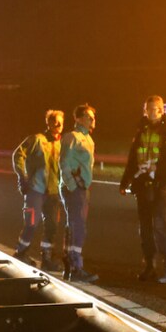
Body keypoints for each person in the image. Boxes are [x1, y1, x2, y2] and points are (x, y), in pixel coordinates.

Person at [119, 96, 166, 283]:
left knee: (159, 223)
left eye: (156, 109)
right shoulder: (141, 128)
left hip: (160, 184)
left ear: (162, 109)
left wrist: (162, 172)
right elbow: (134, 156)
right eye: (149, 109)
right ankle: (149, 265)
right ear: (145, 110)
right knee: (145, 227)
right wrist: (125, 181)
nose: (152, 112)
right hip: (142, 183)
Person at [11, 109, 65, 271]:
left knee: (52, 225)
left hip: (54, 192)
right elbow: (17, 155)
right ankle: (21, 252)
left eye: (61, 122)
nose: (58, 125)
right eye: (54, 121)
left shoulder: (62, 144)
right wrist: (23, 176)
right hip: (36, 189)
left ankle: (47, 258)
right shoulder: (36, 140)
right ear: (48, 123)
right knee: (31, 223)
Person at [59, 103, 99, 283]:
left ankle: (70, 266)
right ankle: (76, 267)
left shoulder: (89, 139)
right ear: (78, 118)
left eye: (93, 117)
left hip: (83, 188)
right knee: (78, 226)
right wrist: (72, 185)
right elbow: (64, 162)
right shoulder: (72, 137)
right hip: (74, 188)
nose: (92, 120)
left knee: (75, 225)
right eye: (89, 117)